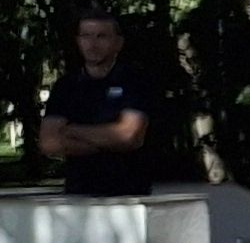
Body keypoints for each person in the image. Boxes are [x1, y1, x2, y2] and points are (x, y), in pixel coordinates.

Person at [38, 10, 166, 196]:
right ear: (78, 41)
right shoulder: (66, 86)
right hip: (78, 193)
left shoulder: (135, 82)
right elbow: (49, 143)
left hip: (130, 194)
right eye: (86, 36)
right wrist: (108, 141)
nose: (92, 44)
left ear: (118, 43)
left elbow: (129, 136)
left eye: (101, 36)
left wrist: (71, 130)